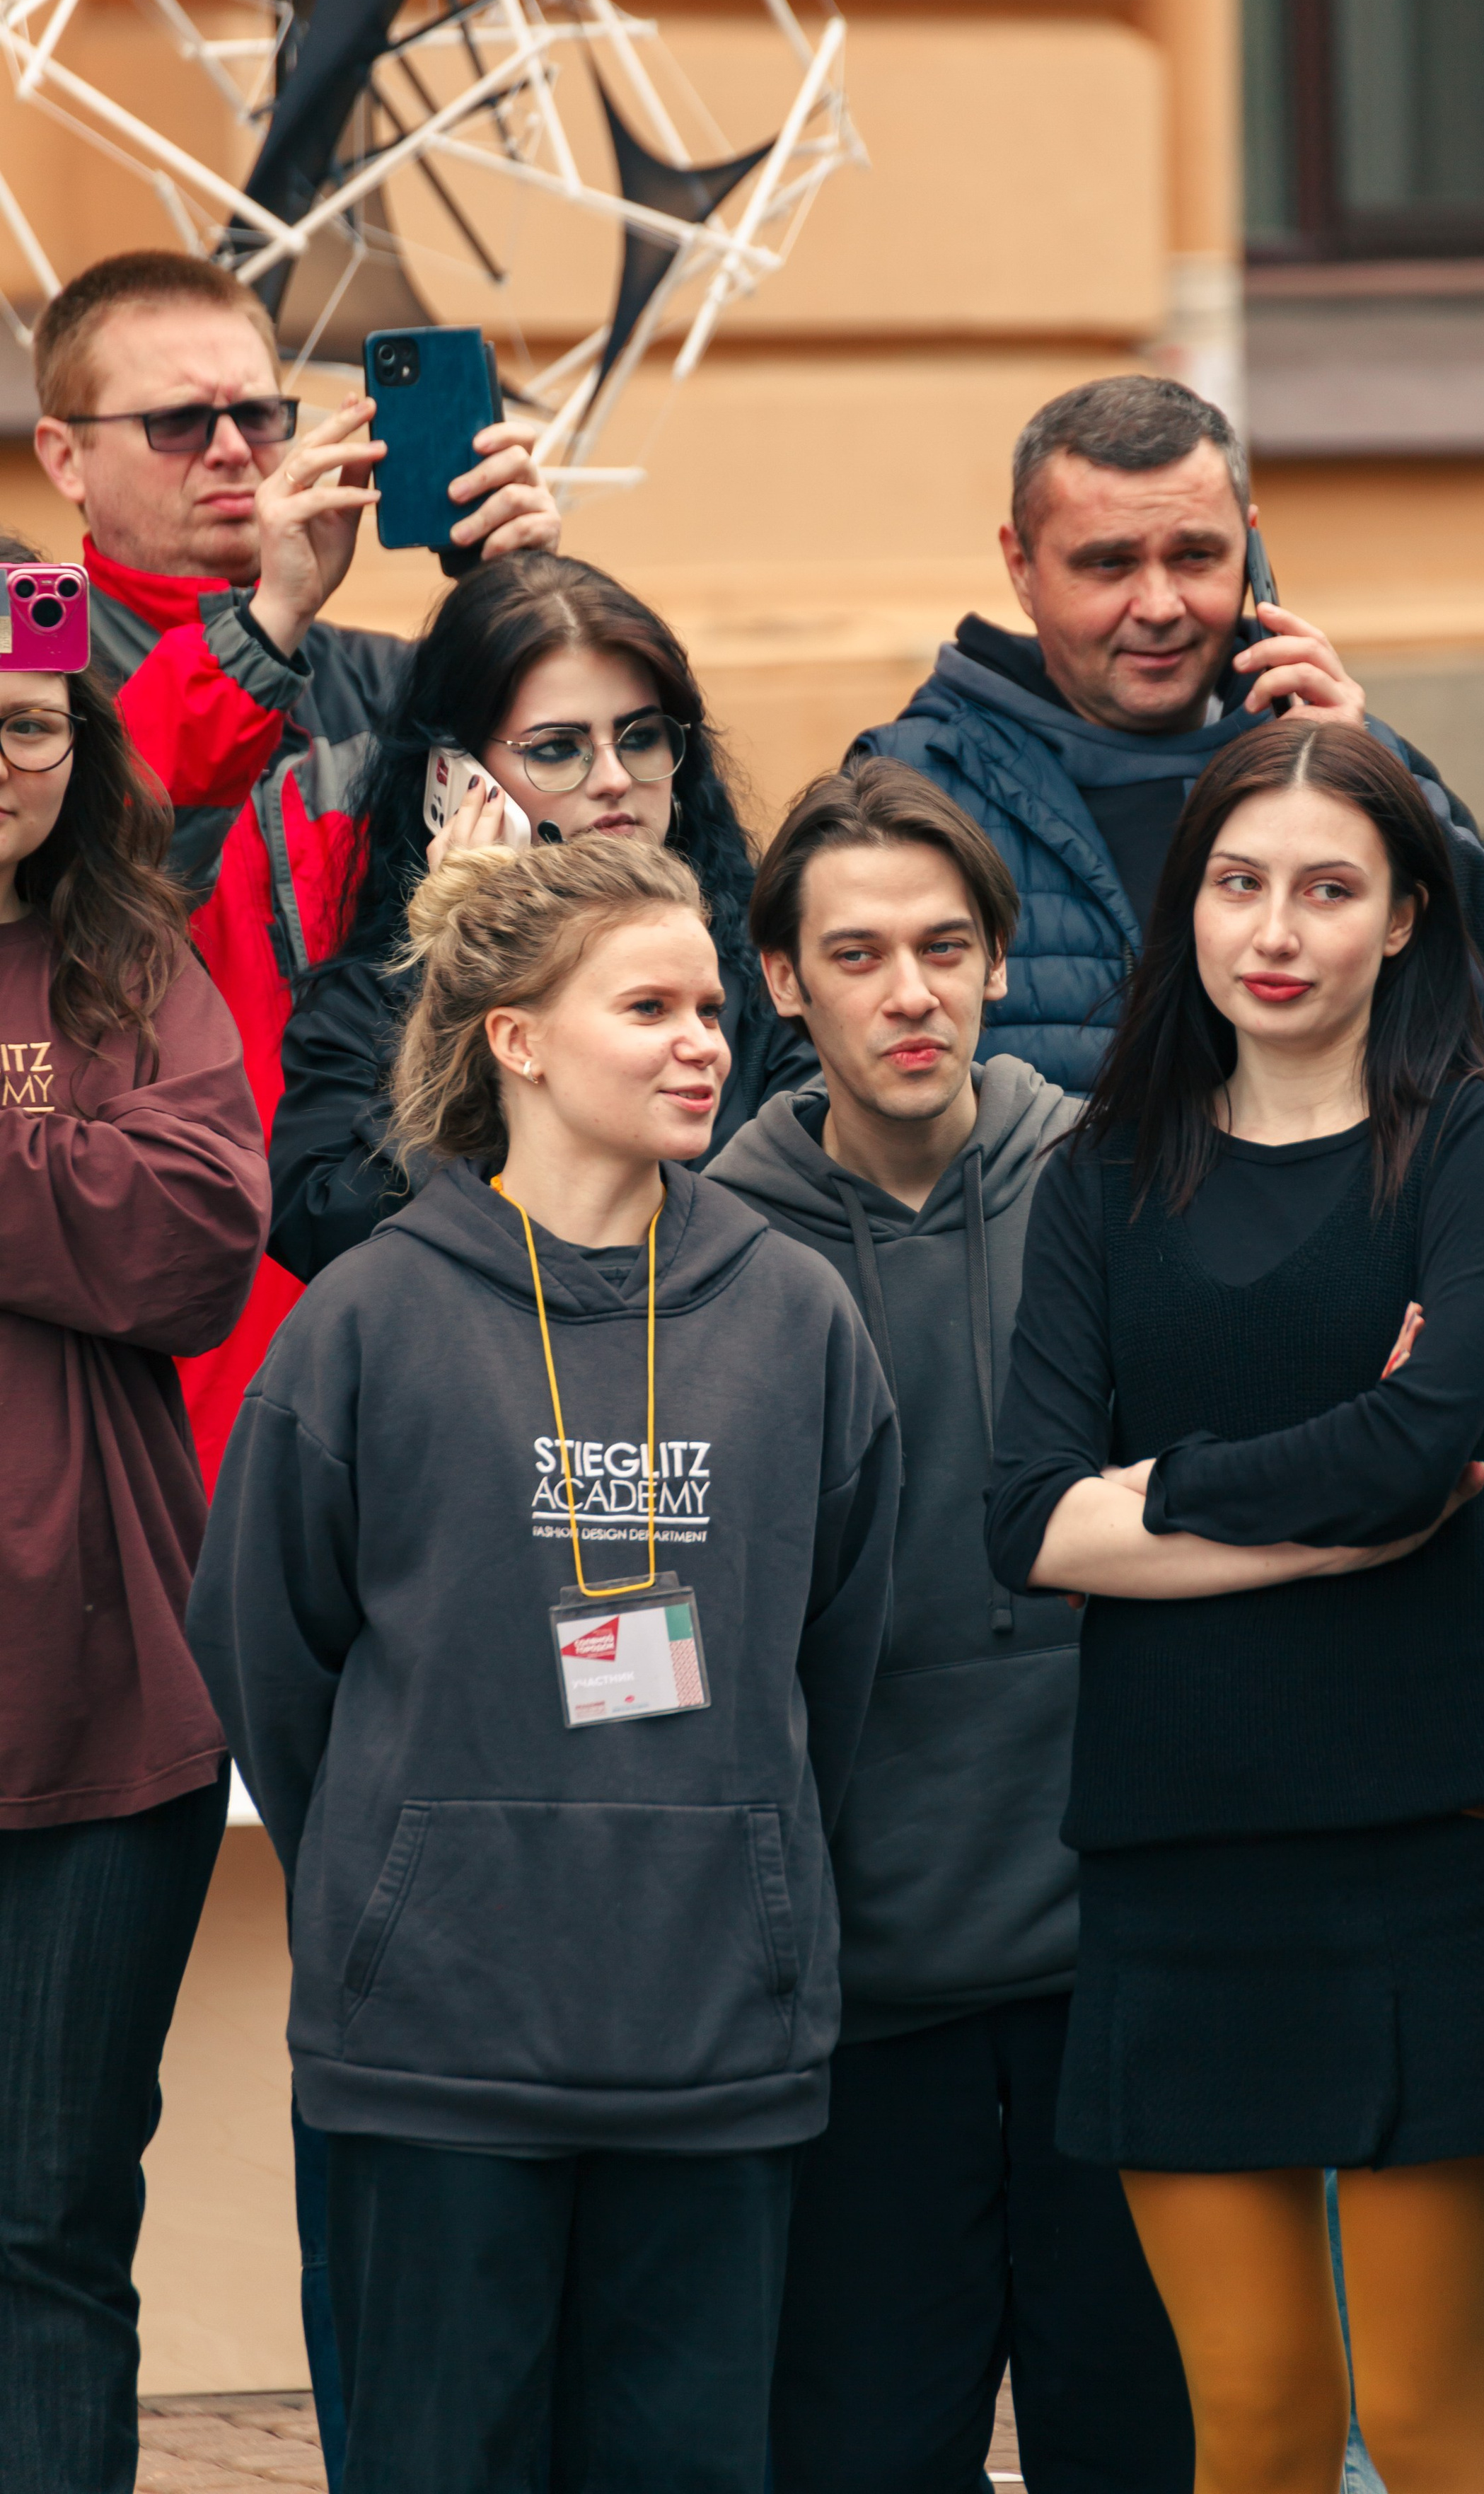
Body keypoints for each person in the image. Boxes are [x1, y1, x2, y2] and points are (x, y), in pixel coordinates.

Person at [187, 835, 899, 2494]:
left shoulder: (795, 1318)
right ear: (513, 1035)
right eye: (646, 1004)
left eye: (711, 1006)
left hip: (715, 2041)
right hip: (433, 2050)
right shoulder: (362, 1318)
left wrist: (742, 1860)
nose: (702, 1041)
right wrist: (399, 1863)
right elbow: (272, 1658)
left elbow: (834, 1661)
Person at [985, 718, 1484, 2494]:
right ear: (1185, 909)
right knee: (1243, 2420)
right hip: (1173, 1861)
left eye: (1327, 888)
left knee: (1424, 2419)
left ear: (1402, 914)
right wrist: (1322, 1519)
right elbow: (1021, 1519)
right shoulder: (1104, 1168)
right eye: (1236, 883)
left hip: (1415, 1850)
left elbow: (1420, 1449)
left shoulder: (1478, 1134)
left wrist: (1150, 1494)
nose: (1276, 927)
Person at [708, 758, 1193, 2494]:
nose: (905, 992)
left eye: (941, 945)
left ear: (996, 959)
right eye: (854, 953)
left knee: (1138, 2445)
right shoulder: (709, 1246)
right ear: (780, 979)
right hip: (858, 1989)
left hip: (1115, 1963)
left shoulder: (1120, 1184)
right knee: (855, 2454)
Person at [31, 247, 561, 1486]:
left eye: (258, 413)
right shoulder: (31, 655)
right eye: (177, 421)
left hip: (399, 1229)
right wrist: (267, 621)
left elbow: (590, 864)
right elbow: (106, 869)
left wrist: (524, 616)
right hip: (167, 1282)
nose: (232, 449)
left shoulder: (383, 672)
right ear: (62, 456)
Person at [854, 372, 1484, 1109]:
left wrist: (1383, 794)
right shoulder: (910, 785)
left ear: (1251, 553)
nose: (1158, 606)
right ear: (1021, 567)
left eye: (1194, 557)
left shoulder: (1347, 755)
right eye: (1109, 563)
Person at [0, 532, 269, 2494]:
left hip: (99, 1717)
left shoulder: (135, 963)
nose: (4, 758)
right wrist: (58, 1160)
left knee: (51, 2226)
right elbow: (113, 1202)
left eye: (30, 723)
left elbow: (190, 1246)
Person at [268, 552, 808, 1282]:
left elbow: (803, 1216)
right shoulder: (368, 1005)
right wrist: (459, 982)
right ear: (452, 781)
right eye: (559, 749)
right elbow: (334, 1234)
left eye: (642, 737)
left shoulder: (766, 972)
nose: (616, 779)